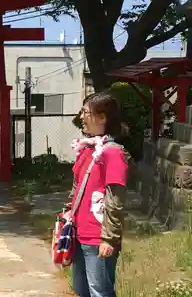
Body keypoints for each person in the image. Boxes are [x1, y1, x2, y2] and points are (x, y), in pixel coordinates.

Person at [68, 92, 129, 297]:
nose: (81, 117)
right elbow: (77, 189)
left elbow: (115, 199)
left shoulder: (113, 153)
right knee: (81, 290)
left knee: (100, 292)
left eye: (86, 112)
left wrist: (109, 239)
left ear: (102, 118)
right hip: (79, 234)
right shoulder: (90, 149)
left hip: (97, 237)